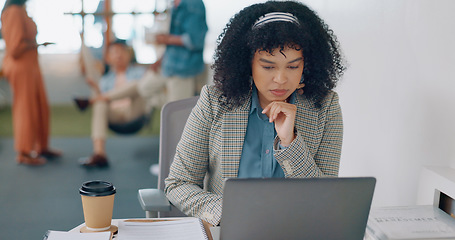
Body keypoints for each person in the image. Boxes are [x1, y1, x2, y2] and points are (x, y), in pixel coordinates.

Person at [164, 0, 346, 226]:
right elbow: (178, 183)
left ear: (306, 66)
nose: (280, 79)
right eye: (268, 66)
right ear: (247, 62)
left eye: (292, 66)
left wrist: (290, 143)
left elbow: (325, 199)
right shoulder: (215, 101)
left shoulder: (325, 107)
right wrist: (228, 212)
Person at [1, 0, 61, 166]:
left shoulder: (21, 9)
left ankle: (41, 146)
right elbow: (15, 48)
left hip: (31, 64)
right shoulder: (13, 11)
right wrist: (37, 44)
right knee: (25, 107)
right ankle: (24, 151)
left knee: (40, 105)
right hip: (21, 66)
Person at [79, 40, 147, 167]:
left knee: (138, 85)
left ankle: (93, 101)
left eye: (122, 51)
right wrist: (95, 88)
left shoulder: (140, 72)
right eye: (115, 52)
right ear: (108, 58)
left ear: (129, 55)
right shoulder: (105, 80)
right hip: (114, 113)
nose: (119, 55)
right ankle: (99, 154)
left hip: (134, 110)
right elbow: (103, 102)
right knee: (100, 104)